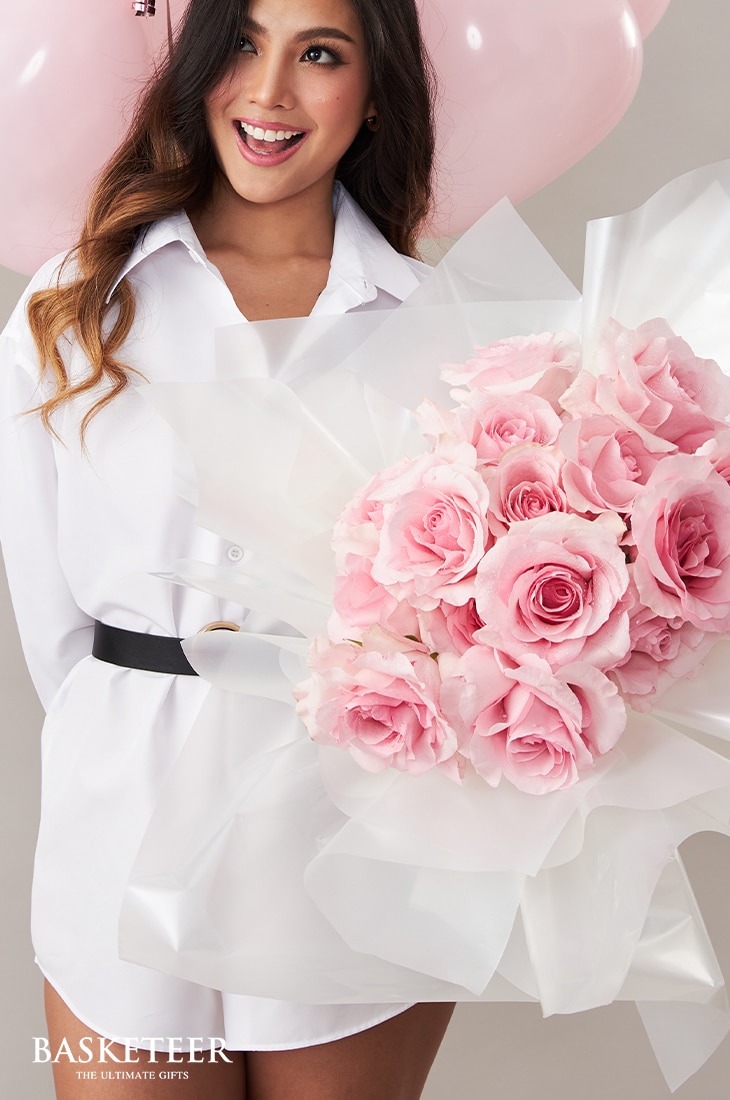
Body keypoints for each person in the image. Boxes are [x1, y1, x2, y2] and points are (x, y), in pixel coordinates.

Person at [0, 0, 455, 1096]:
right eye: (244, 42)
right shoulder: (76, 304)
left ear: (376, 90)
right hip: (125, 820)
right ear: (200, 60)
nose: (268, 92)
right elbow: (51, 621)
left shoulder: (435, 322)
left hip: (351, 825)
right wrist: (142, 728)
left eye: (321, 54)